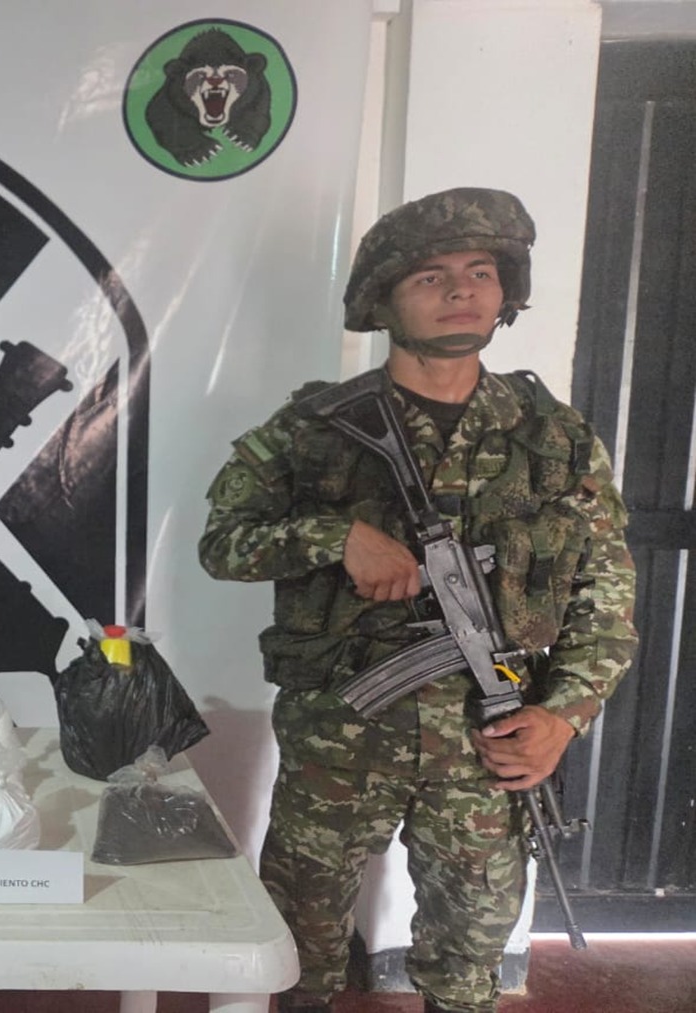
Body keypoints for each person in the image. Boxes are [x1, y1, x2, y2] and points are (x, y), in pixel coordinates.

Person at [197, 188, 638, 1013]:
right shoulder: (314, 429)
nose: (461, 289)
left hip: (491, 736)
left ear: (505, 292)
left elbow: (605, 597)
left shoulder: (554, 439)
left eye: (481, 272)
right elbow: (222, 542)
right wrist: (335, 537)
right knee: (298, 947)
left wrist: (562, 716)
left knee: (469, 961)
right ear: (384, 298)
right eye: (431, 276)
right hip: (340, 736)